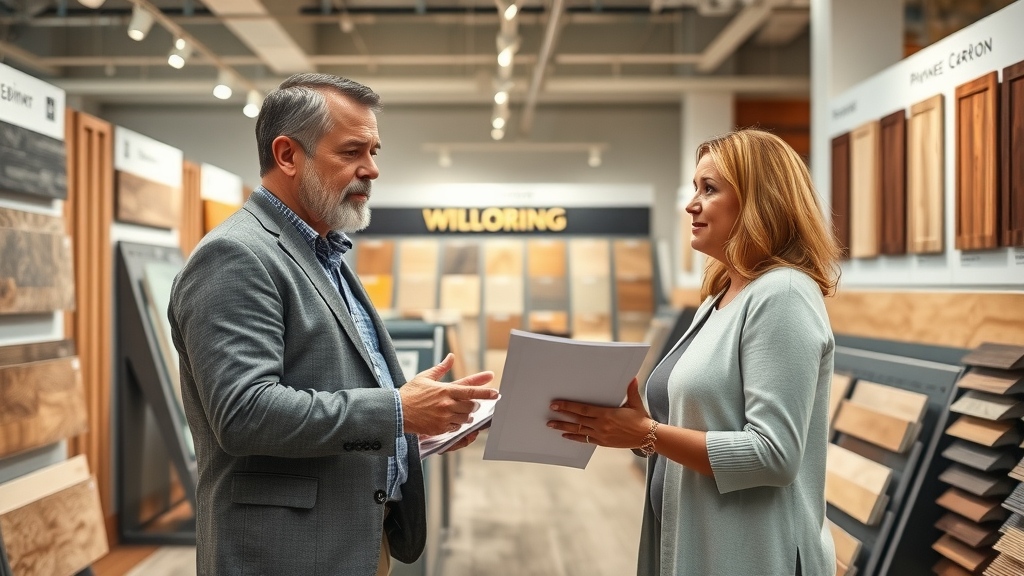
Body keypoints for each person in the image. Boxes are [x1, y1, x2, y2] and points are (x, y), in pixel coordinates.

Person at [168, 73, 497, 576]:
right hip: (284, 554)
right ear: (287, 156)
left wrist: (424, 430)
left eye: (375, 151)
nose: (373, 169)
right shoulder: (236, 255)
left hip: (354, 539)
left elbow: (330, 391)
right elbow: (244, 413)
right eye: (351, 152)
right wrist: (396, 411)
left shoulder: (326, 253)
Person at [548, 129, 841, 576]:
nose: (691, 204)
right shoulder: (719, 297)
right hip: (694, 543)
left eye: (710, 188)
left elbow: (774, 454)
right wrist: (633, 430)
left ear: (759, 201)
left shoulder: (782, 293)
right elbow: (700, 424)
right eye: (695, 189)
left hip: (755, 555)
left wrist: (647, 433)